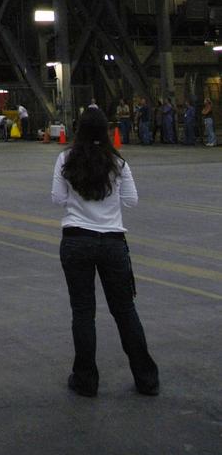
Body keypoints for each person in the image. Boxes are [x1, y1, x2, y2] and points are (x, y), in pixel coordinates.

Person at [51, 106, 159, 398]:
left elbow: (58, 198)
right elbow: (132, 201)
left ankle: (86, 380)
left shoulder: (65, 159)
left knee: (83, 312)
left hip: (76, 240)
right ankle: (147, 379)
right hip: (112, 242)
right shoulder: (118, 163)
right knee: (124, 310)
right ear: (106, 131)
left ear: (79, 130)